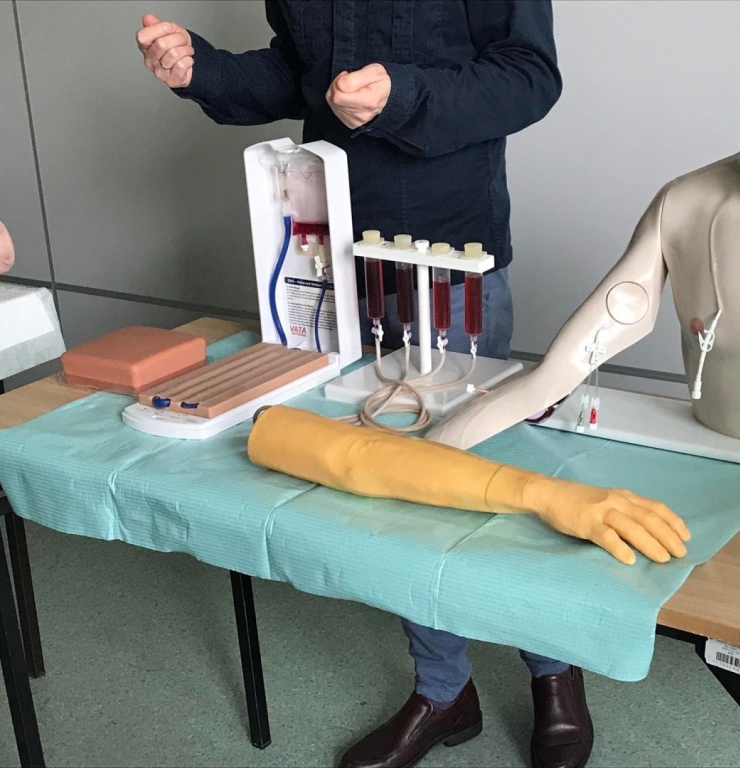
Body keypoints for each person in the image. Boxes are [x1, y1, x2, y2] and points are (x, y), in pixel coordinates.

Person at [135, 4, 598, 767]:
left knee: (493, 479)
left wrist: (403, 95)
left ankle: (554, 671)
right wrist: (201, 69)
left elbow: (528, 77)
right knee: (392, 489)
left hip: (451, 257)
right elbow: (298, 72)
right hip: (333, 257)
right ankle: (444, 690)